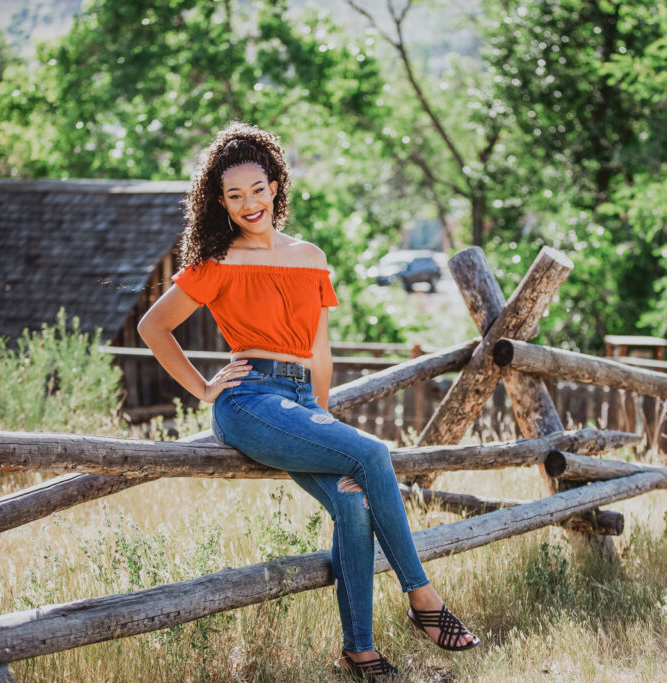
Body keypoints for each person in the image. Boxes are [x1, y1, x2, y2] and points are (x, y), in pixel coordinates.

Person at [137, 122, 478, 678]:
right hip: (248, 401)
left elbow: (320, 353)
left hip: (299, 405)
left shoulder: (310, 257)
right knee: (372, 454)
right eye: (234, 195)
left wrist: (320, 415)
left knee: (352, 500)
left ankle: (359, 650)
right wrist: (203, 388)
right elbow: (154, 327)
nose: (249, 203)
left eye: (256, 188)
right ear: (219, 203)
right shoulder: (215, 262)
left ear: (275, 185)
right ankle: (424, 599)